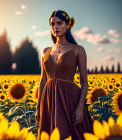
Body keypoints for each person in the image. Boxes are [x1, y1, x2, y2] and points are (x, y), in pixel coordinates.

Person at [35, 10, 93, 140]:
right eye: (52, 24)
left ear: (68, 25)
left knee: (69, 134)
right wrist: (38, 107)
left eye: (60, 23)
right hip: (49, 100)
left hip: (70, 99)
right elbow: (43, 81)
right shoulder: (45, 51)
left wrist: (80, 107)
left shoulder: (78, 50)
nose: (55, 27)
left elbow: (84, 81)